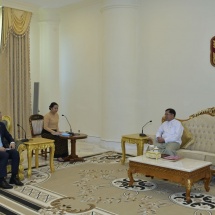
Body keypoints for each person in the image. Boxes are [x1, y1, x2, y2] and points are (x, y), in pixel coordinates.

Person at [0, 121, 24, 189]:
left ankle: (13, 177)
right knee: (5, 155)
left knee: (15, 153)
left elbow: (7, 135)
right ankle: (1, 180)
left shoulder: (1, 125)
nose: (0, 116)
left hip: (3, 149)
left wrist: (12, 142)